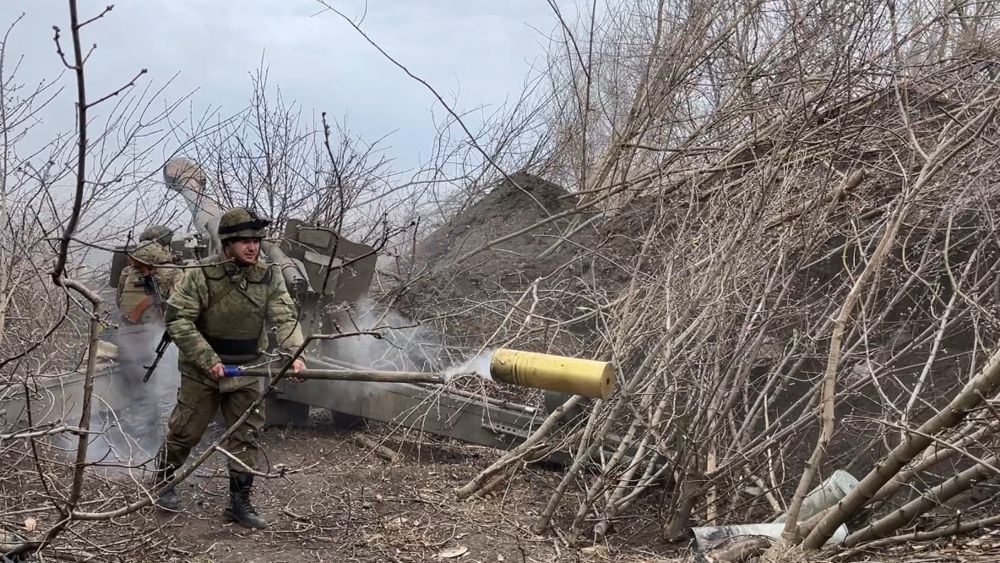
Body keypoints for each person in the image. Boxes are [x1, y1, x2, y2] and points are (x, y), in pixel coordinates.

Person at [151, 207, 306, 529]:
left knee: (245, 437)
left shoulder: (269, 274)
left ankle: (239, 504)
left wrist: (294, 353)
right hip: (202, 369)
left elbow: (284, 316)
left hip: (248, 370)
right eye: (244, 241)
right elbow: (178, 320)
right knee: (185, 432)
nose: (252, 247)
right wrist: (210, 361)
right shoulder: (199, 274)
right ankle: (163, 485)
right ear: (227, 243)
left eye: (256, 241)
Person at [116, 225, 181, 324]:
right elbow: (180, 306)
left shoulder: (127, 271)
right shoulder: (174, 271)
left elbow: (118, 301)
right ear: (165, 246)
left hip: (127, 330)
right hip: (157, 330)